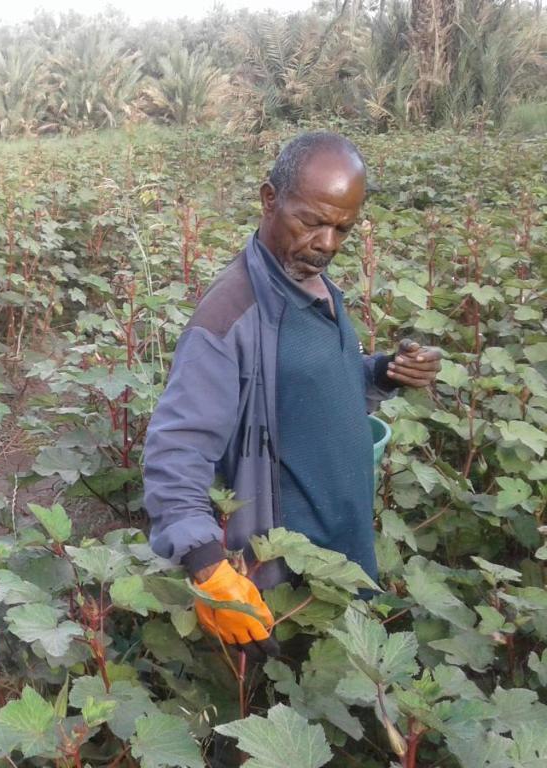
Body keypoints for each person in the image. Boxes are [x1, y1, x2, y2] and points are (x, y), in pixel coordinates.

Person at [142, 132, 443, 659]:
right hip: (288, 578)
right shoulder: (231, 316)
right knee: (294, 694)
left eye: (342, 228)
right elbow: (177, 450)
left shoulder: (312, 282)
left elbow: (320, 382)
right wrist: (205, 561)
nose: (326, 243)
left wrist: (382, 374)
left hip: (344, 545)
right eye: (311, 221)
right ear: (269, 199)